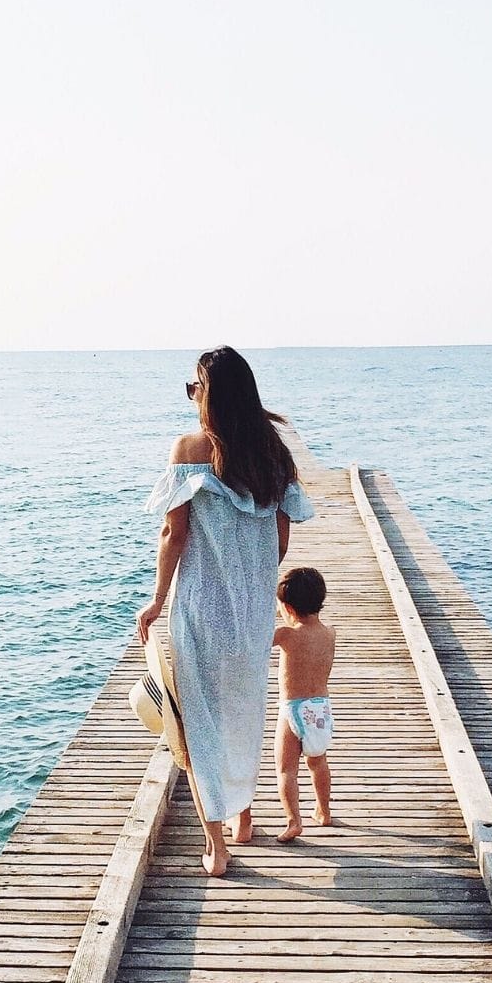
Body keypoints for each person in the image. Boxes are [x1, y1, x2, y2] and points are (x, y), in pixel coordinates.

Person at [137, 346, 315, 876]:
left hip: (200, 610)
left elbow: (174, 532)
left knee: (197, 726)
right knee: (242, 714)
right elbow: (282, 540)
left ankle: (217, 846)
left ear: (209, 394)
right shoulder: (274, 455)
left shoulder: (189, 449)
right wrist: (252, 576)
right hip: (254, 613)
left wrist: (158, 598)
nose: (192, 397)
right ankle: (244, 817)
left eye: (195, 387)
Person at [272, 566, 336, 842]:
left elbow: (257, 641)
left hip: (293, 710)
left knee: (287, 769)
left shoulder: (287, 635)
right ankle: (323, 810)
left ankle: (293, 821)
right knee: (318, 762)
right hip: (321, 709)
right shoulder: (329, 633)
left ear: (287, 607)